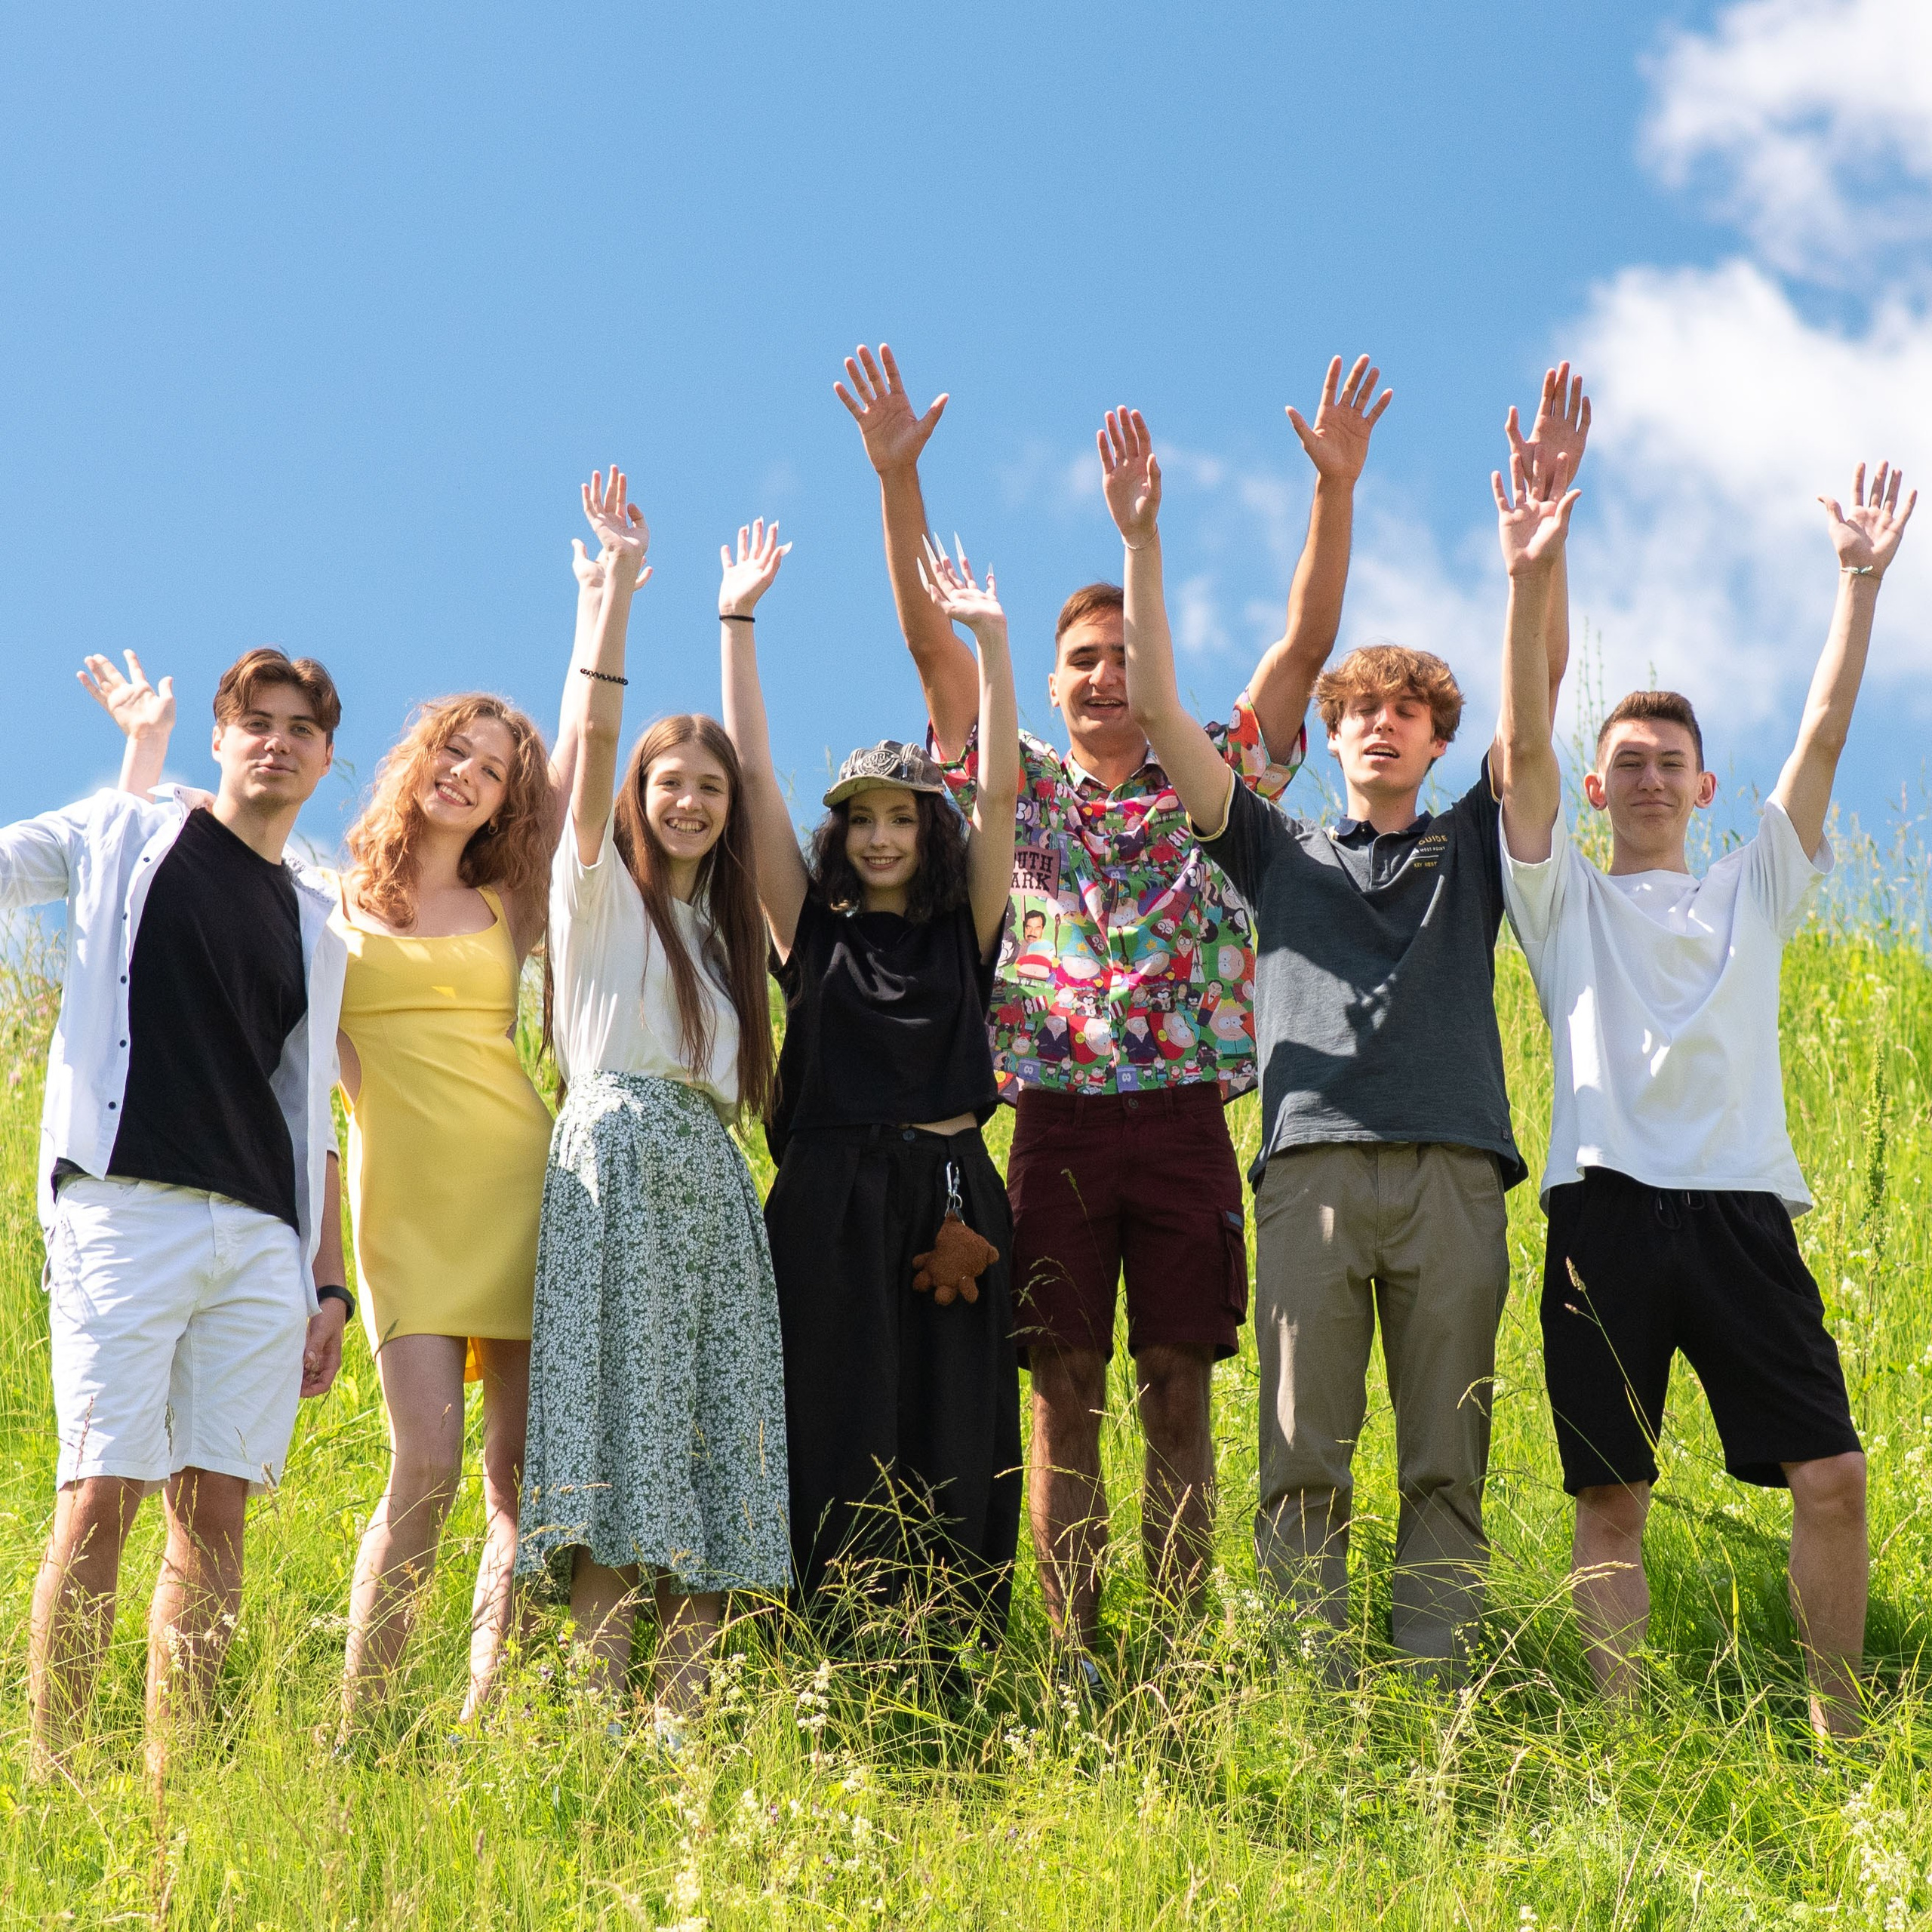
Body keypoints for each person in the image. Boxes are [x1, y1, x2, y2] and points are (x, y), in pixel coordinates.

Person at [836, 342, 1383, 1675]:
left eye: (1121, 658)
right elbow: (929, 642)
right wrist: (898, 482)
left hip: (1188, 1119)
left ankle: (1179, 1656)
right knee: (1063, 1395)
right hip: (1060, 1122)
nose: (1096, 679)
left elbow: (1307, 642)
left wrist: (1336, 490)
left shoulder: (1219, 766)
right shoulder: (1013, 772)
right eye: (1082, 659)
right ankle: (1078, 1652)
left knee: (1181, 1389)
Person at [1112, 368, 1589, 1675]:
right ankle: (1314, 1709)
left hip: (1453, 1171)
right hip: (1309, 1170)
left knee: (1449, 1456)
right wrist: (1142, 543)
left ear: (1438, 742)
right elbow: (1160, 715)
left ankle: (1431, 1705)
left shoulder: (1475, 842)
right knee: (1300, 1461)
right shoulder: (1273, 848)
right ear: (1331, 740)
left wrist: (1535, 561)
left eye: (1408, 712)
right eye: (1360, 711)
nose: (1381, 725)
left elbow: (1535, 724)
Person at [1494, 454, 1914, 1737]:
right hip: (1607, 1211)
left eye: (1673, 761)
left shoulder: (1757, 887)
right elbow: (1516, 754)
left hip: (1741, 1214)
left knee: (1833, 1474)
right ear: (1602, 782)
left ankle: (1839, 1731)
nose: (1652, 778)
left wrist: (1859, 579)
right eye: (1628, 761)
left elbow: (1826, 734)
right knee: (1610, 1494)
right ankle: (1625, 1747)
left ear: (1704, 788)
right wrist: (1529, 576)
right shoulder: (1560, 900)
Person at [12, 648, 349, 1777]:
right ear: (220, 737)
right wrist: (133, 752)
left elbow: (314, 1113)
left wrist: (327, 1281)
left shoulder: (313, 912)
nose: (277, 740)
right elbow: (22, 865)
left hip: (259, 1239)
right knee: (101, 1487)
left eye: (301, 728)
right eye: (256, 720)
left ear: (324, 758)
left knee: (215, 1519)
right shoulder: (133, 828)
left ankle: (174, 1787)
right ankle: (53, 1771)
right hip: (127, 1207)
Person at [514, 469, 790, 1734]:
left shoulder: (730, 938)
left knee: (708, 1452)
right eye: (668, 781)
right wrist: (616, 597)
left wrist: (745, 630)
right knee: (613, 1446)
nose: (688, 799)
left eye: (710, 788)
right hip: (613, 1175)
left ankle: (682, 1748)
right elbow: (581, 757)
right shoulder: (596, 893)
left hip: (713, 1192)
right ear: (638, 795)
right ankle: (589, 1736)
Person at [716, 516, 1022, 1641]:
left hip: (951, 1190)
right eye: (862, 821)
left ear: (927, 833)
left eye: (903, 818)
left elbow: (1000, 802)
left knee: (957, 1422)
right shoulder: (812, 933)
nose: (883, 837)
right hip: (828, 1197)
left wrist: (991, 645)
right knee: (829, 1417)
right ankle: (820, 1640)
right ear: (836, 837)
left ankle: (956, 1652)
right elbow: (751, 783)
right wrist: (737, 622)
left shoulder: (964, 932)